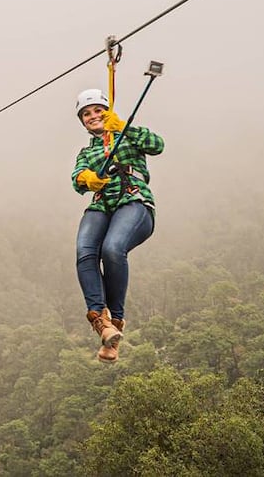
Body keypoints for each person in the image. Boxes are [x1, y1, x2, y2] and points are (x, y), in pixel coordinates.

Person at [71, 88, 164, 362]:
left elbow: (157, 145)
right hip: (102, 205)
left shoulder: (127, 135)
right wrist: (87, 179)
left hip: (133, 201)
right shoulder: (87, 152)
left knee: (112, 249)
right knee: (85, 251)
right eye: (86, 114)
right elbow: (77, 178)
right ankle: (102, 322)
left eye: (97, 111)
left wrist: (123, 127)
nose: (93, 116)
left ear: (107, 112)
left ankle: (116, 319)